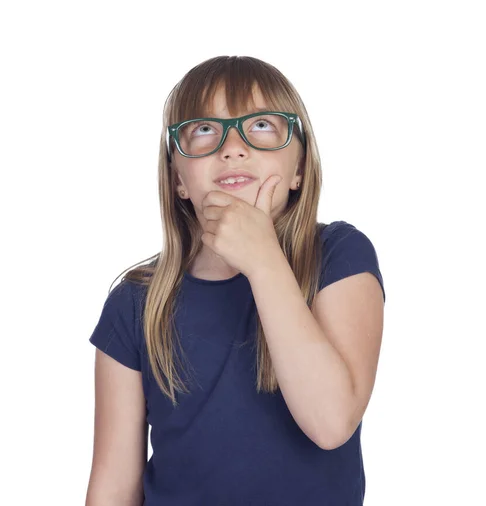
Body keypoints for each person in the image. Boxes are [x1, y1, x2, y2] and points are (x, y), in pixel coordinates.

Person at [86, 55, 386, 506]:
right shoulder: (135, 303)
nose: (233, 146)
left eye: (262, 125)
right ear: (178, 181)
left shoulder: (340, 256)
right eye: (204, 130)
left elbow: (331, 422)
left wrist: (262, 258)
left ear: (299, 169)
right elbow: (113, 486)